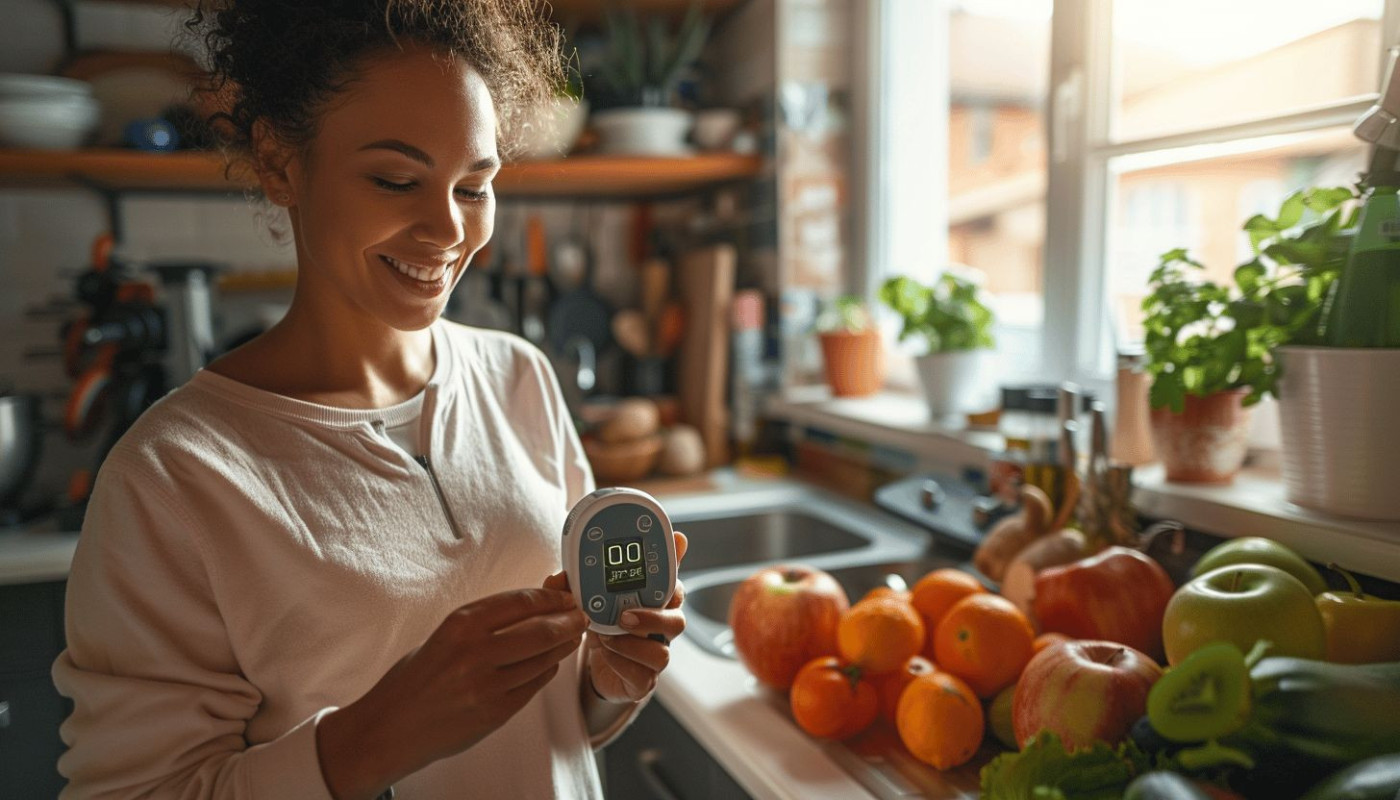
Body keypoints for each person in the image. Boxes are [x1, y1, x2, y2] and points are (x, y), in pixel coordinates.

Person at [51, 1, 687, 797]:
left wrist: (605, 679)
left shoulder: (520, 378)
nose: (448, 229)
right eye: (395, 179)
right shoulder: (172, 479)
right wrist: (373, 739)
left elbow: (557, 722)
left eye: (475, 185)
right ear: (281, 161)